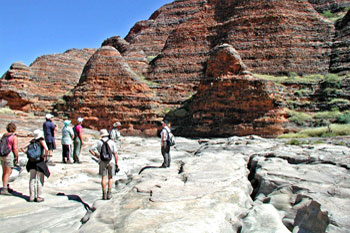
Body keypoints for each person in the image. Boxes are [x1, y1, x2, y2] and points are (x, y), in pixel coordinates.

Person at [89, 129, 119, 200]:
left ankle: (104, 194)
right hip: (111, 161)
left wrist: (97, 155)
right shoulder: (111, 142)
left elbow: (90, 149)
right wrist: (117, 163)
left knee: (103, 177)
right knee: (110, 177)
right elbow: (115, 153)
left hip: (102, 161)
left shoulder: (98, 142)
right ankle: (109, 193)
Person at [21, 129, 50, 202]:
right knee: (39, 179)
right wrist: (45, 156)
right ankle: (39, 196)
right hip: (39, 162)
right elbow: (47, 149)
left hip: (31, 162)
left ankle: (31, 196)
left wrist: (28, 153)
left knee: (32, 179)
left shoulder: (31, 141)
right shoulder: (41, 141)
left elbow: (22, 148)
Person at [0, 122, 19, 195]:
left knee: (4, 172)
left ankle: (5, 186)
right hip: (9, 155)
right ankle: (5, 189)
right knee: (8, 172)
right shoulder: (14, 137)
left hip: (2, 155)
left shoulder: (4, 135)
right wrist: (16, 156)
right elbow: (15, 148)